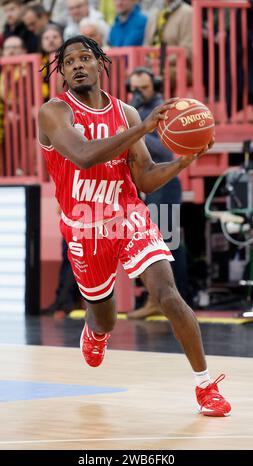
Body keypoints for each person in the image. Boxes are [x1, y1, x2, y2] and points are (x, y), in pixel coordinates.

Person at [38, 35, 231, 417]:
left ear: (100, 64)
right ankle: (96, 332)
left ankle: (205, 386)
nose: (77, 65)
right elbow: (84, 156)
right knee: (105, 314)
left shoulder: (125, 112)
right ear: (61, 72)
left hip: (128, 213)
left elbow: (142, 179)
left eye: (84, 58)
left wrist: (183, 161)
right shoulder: (54, 112)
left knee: (168, 294)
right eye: (69, 61)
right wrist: (143, 129)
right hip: (85, 223)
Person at [126, 67, 190, 319]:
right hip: (150, 185)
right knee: (159, 243)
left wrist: (136, 131)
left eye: (144, 88)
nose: (139, 93)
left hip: (164, 184)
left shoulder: (162, 111)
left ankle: (171, 300)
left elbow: (165, 149)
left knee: (167, 244)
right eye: (135, 88)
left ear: (155, 85)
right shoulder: (135, 111)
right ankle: (160, 300)